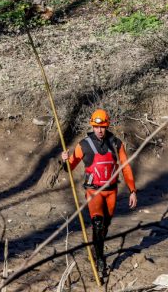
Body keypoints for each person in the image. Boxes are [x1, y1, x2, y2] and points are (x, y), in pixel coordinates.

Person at [61, 109, 138, 276]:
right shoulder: (84, 145)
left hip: (111, 191)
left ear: (107, 125)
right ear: (92, 126)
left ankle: (96, 251)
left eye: (102, 126)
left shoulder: (116, 144)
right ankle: (101, 260)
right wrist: (65, 160)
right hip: (93, 191)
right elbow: (70, 167)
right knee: (97, 223)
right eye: (96, 127)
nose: (99, 130)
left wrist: (132, 190)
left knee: (105, 226)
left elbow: (126, 167)